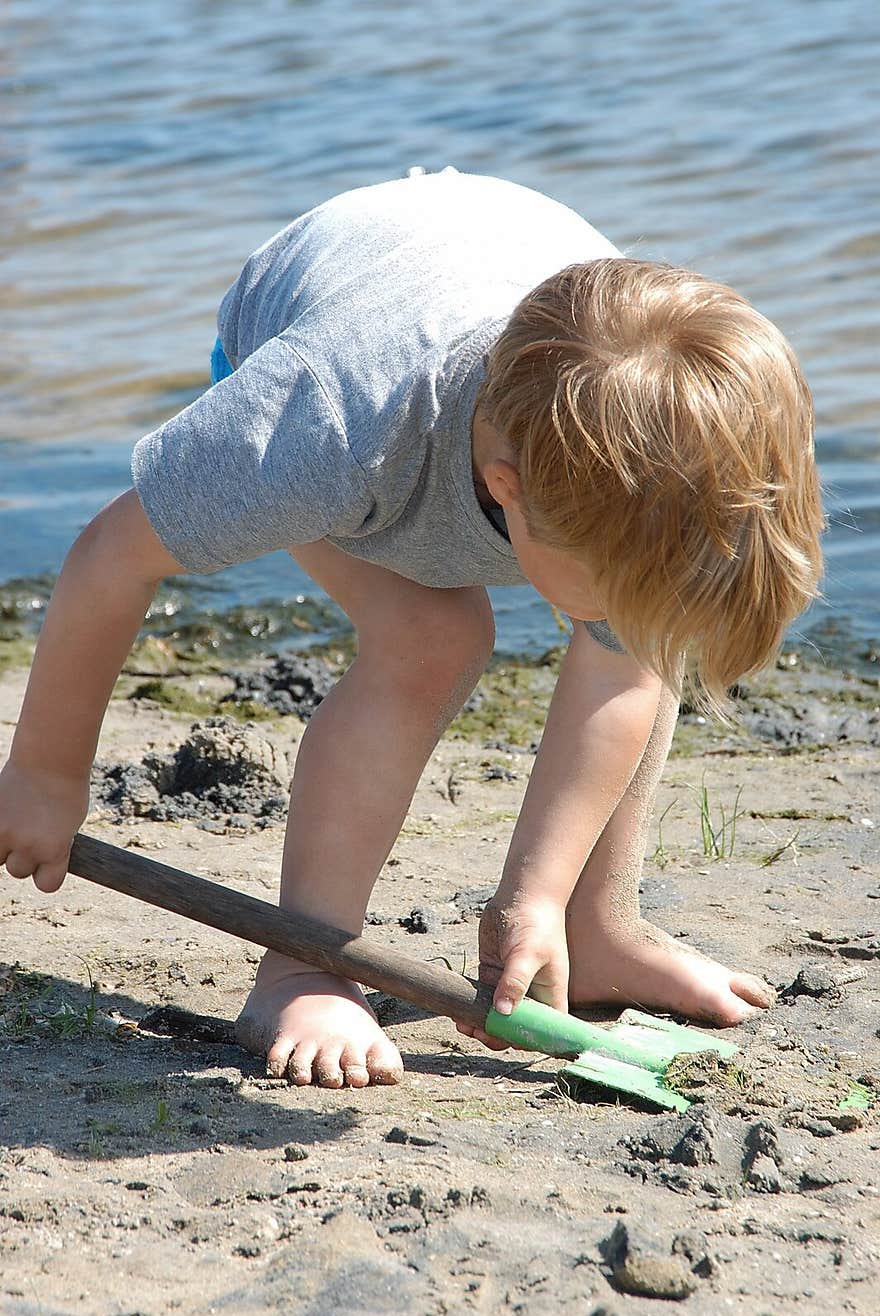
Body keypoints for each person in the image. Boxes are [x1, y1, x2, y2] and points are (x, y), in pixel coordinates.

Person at [0, 169, 824, 1089]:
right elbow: (111, 556)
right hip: (304, 320)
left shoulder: (638, 455)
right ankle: (303, 962)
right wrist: (43, 774)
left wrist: (534, 898)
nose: (625, 626)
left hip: (493, 264)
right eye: (607, 601)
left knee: (641, 624)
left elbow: (624, 666)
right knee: (434, 640)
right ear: (510, 493)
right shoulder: (325, 424)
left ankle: (600, 927)